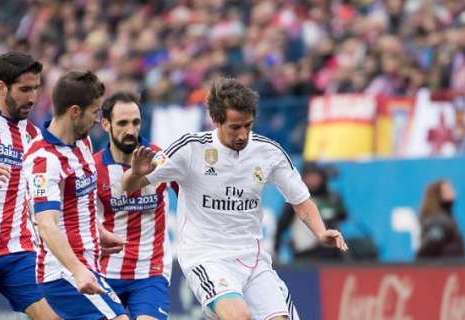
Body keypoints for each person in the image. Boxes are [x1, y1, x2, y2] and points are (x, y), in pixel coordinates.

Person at [122, 78, 348, 320]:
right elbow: (129, 186)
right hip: (207, 257)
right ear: (216, 120)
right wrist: (135, 174)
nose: (243, 135)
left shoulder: (269, 153)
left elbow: (300, 200)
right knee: (239, 317)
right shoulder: (190, 149)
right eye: (235, 127)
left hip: (254, 259)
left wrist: (320, 231)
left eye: (248, 126)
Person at [23, 70, 129, 320]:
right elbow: (47, 225)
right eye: (94, 111)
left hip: (86, 265)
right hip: (63, 274)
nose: (97, 119)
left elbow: (79, 202)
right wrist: (78, 270)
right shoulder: (43, 159)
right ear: (74, 112)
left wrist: (100, 232)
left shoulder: (83, 143)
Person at [0, 52, 59, 319]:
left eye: (36, 89)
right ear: (1, 87)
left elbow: (44, 191)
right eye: (24, 89)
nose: (32, 98)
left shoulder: (33, 135)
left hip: (19, 251)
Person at [94, 92, 178, 319]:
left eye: (135, 122)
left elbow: (191, 196)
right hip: (104, 274)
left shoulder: (161, 159)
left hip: (150, 273)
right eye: (122, 123)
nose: (130, 130)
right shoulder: (93, 168)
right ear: (105, 124)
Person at [275, 162, 347, 263]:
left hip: (330, 253)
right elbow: (282, 224)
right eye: (309, 177)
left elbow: (343, 216)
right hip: (305, 253)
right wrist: (276, 250)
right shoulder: (296, 199)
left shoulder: (331, 196)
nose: (312, 180)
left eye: (315, 176)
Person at [416, 179, 465, 259]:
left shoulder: (446, 218)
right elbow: (428, 247)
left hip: (452, 269)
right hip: (444, 269)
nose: (453, 192)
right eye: (448, 190)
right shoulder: (438, 222)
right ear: (437, 195)